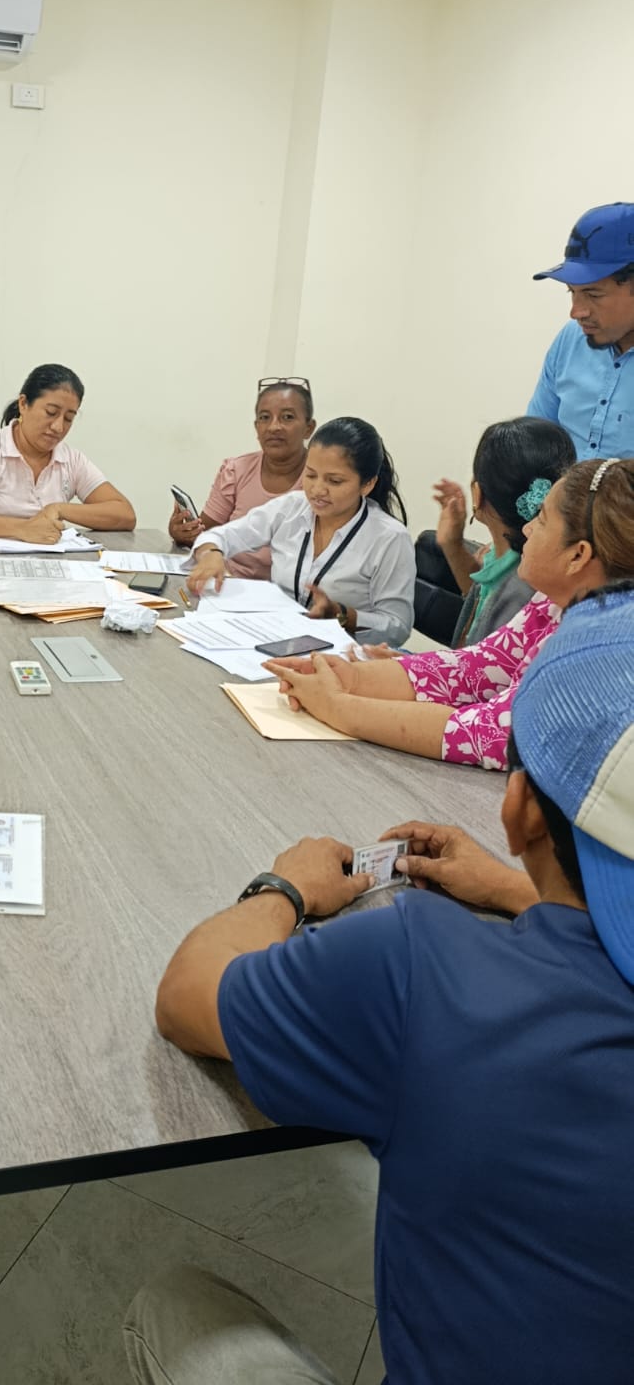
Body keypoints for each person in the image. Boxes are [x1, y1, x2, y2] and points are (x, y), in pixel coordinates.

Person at [138, 582, 634, 1385]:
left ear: (518, 812)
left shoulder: (425, 967)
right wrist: (518, 890)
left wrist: (285, 889)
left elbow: (187, 994)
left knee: (173, 1310)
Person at [269, 457, 634, 769]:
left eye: (540, 519)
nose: (526, 528)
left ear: (578, 555)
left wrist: (338, 707)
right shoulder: (554, 600)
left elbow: (491, 734)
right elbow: (475, 668)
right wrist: (349, 677)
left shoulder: (601, 648)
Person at [185, 418, 414, 646]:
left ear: (367, 484)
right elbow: (219, 536)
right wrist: (212, 554)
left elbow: (397, 626)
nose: (317, 490)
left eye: (334, 481)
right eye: (311, 475)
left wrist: (342, 615)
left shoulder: (389, 538)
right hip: (275, 636)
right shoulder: (291, 508)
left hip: (341, 653)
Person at [0, 363, 136, 543]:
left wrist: (59, 509)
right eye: (50, 413)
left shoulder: (71, 460)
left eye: (68, 419)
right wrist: (22, 529)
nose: (58, 427)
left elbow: (125, 514)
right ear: (23, 404)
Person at [428, 416, 576, 646]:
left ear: (477, 493)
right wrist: (452, 543)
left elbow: (482, 661)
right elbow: (490, 604)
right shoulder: (525, 564)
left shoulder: (524, 586)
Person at [167, 378, 316, 580]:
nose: (274, 427)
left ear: (309, 428)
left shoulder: (322, 481)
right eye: (264, 418)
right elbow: (206, 536)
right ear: (256, 427)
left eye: (287, 417)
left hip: (291, 592)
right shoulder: (236, 470)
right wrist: (182, 534)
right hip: (229, 583)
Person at [528, 201, 634, 458]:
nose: (576, 312)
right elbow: (533, 449)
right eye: (571, 292)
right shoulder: (571, 338)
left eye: (593, 295)